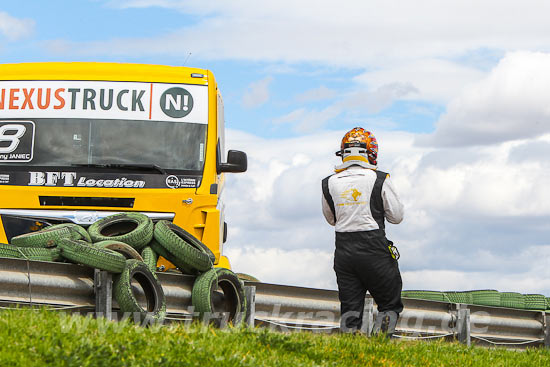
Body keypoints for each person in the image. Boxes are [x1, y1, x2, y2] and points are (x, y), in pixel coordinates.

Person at [321, 127, 404, 337]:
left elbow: (331, 220)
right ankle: (380, 348)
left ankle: (349, 350)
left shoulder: (328, 183)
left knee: (350, 308)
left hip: (344, 251)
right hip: (374, 249)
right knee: (389, 304)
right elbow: (397, 216)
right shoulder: (380, 179)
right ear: (371, 152)